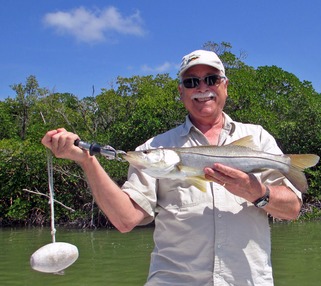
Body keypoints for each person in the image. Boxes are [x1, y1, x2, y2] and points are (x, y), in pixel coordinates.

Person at [42, 50, 302, 285]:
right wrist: (87, 160)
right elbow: (125, 219)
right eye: (191, 82)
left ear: (225, 86)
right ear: (181, 92)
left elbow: (292, 209)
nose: (202, 88)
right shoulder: (156, 145)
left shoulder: (258, 138)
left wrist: (256, 192)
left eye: (211, 79)